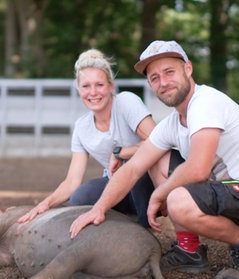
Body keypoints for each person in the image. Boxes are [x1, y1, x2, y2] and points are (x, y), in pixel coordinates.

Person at [69, 40, 239, 279]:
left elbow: (198, 169)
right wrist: (98, 209)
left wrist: (158, 195)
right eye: (155, 78)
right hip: (234, 195)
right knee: (156, 158)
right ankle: (189, 250)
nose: (163, 82)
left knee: (177, 200)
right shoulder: (172, 123)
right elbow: (133, 169)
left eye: (169, 72)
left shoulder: (205, 102)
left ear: (188, 68)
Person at [17, 48, 156, 227]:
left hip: (150, 183)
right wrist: (45, 204)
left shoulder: (126, 102)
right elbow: (72, 181)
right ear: (79, 89)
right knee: (81, 197)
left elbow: (158, 140)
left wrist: (122, 152)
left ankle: (145, 228)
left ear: (111, 86)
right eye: (86, 86)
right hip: (118, 187)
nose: (93, 92)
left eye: (99, 85)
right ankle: (124, 224)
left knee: (133, 166)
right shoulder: (82, 128)